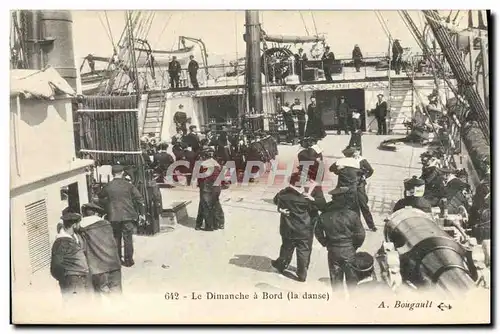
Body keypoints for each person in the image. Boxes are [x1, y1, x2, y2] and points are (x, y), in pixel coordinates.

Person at [271, 172, 325, 282]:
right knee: (303, 251)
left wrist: (280, 209)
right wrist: (313, 199)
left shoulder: (283, 194)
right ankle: (302, 274)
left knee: (286, 247)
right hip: (304, 229)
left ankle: (281, 265)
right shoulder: (306, 199)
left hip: (287, 228)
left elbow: (275, 200)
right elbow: (322, 206)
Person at [315, 187, 365, 292]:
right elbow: (360, 235)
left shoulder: (324, 216)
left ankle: (338, 303)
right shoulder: (352, 215)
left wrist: (326, 243)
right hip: (349, 250)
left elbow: (318, 232)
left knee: (336, 281)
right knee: (352, 281)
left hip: (333, 250)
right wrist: (354, 246)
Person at [98, 165, 146, 267]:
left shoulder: (108, 186)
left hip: (113, 216)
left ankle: (118, 260)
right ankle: (128, 261)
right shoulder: (129, 185)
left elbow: (100, 197)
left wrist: (108, 206)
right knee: (128, 238)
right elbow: (140, 199)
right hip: (128, 216)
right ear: (122, 173)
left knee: (116, 237)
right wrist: (142, 214)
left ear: (112, 173)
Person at [79, 202, 122, 296]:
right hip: (114, 263)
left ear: (84, 213)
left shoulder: (81, 228)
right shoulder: (107, 224)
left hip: (98, 267)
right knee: (117, 293)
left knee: (103, 296)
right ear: (96, 213)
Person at [50, 212, 91, 301]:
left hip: (80, 280)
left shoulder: (74, 237)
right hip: (72, 282)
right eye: (78, 224)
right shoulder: (61, 243)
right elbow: (56, 266)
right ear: (74, 225)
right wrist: (66, 279)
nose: (80, 226)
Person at [196, 149, 226, 231]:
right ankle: (220, 223)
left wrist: (199, 185)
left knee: (204, 205)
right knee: (216, 203)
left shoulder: (203, 164)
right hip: (216, 187)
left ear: (204, 156)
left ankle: (208, 226)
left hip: (206, 186)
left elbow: (200, 177)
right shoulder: (217, 164)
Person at [353, 148, 377, 231]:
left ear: (359, 152)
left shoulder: (362, 160)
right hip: (351, 185)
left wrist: (365, 176)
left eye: (356, 151)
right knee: (354, 206)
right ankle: (357, 226)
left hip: (360, 185)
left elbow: (370, 170)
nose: (354, 153)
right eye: (353, 152)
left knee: (363, 205)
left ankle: (371, 225)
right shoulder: (349, 160)